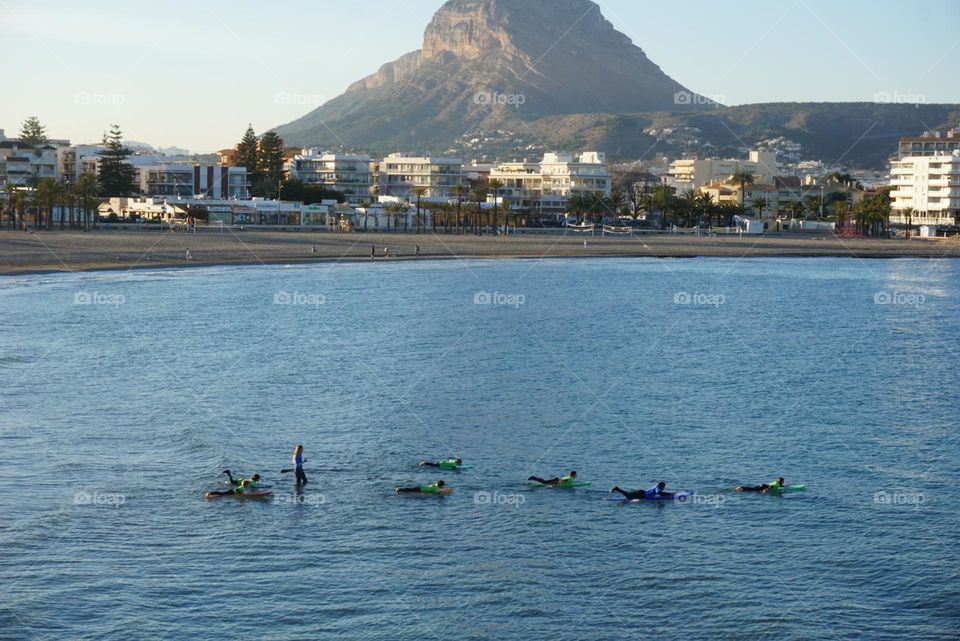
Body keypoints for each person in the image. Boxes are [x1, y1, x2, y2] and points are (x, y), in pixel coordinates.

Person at [609, 481, 674, 500]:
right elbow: (660, 493)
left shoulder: (656, 487)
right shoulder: (658, 488)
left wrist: (670, 494)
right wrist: (670, 494)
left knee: (628, 495)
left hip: (641, 493)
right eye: (664, 487)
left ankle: (617, 489)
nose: (664, 488)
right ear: (661, 486)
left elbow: (660, 493)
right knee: (627, 495)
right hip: (641, 494)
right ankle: (617, 488)